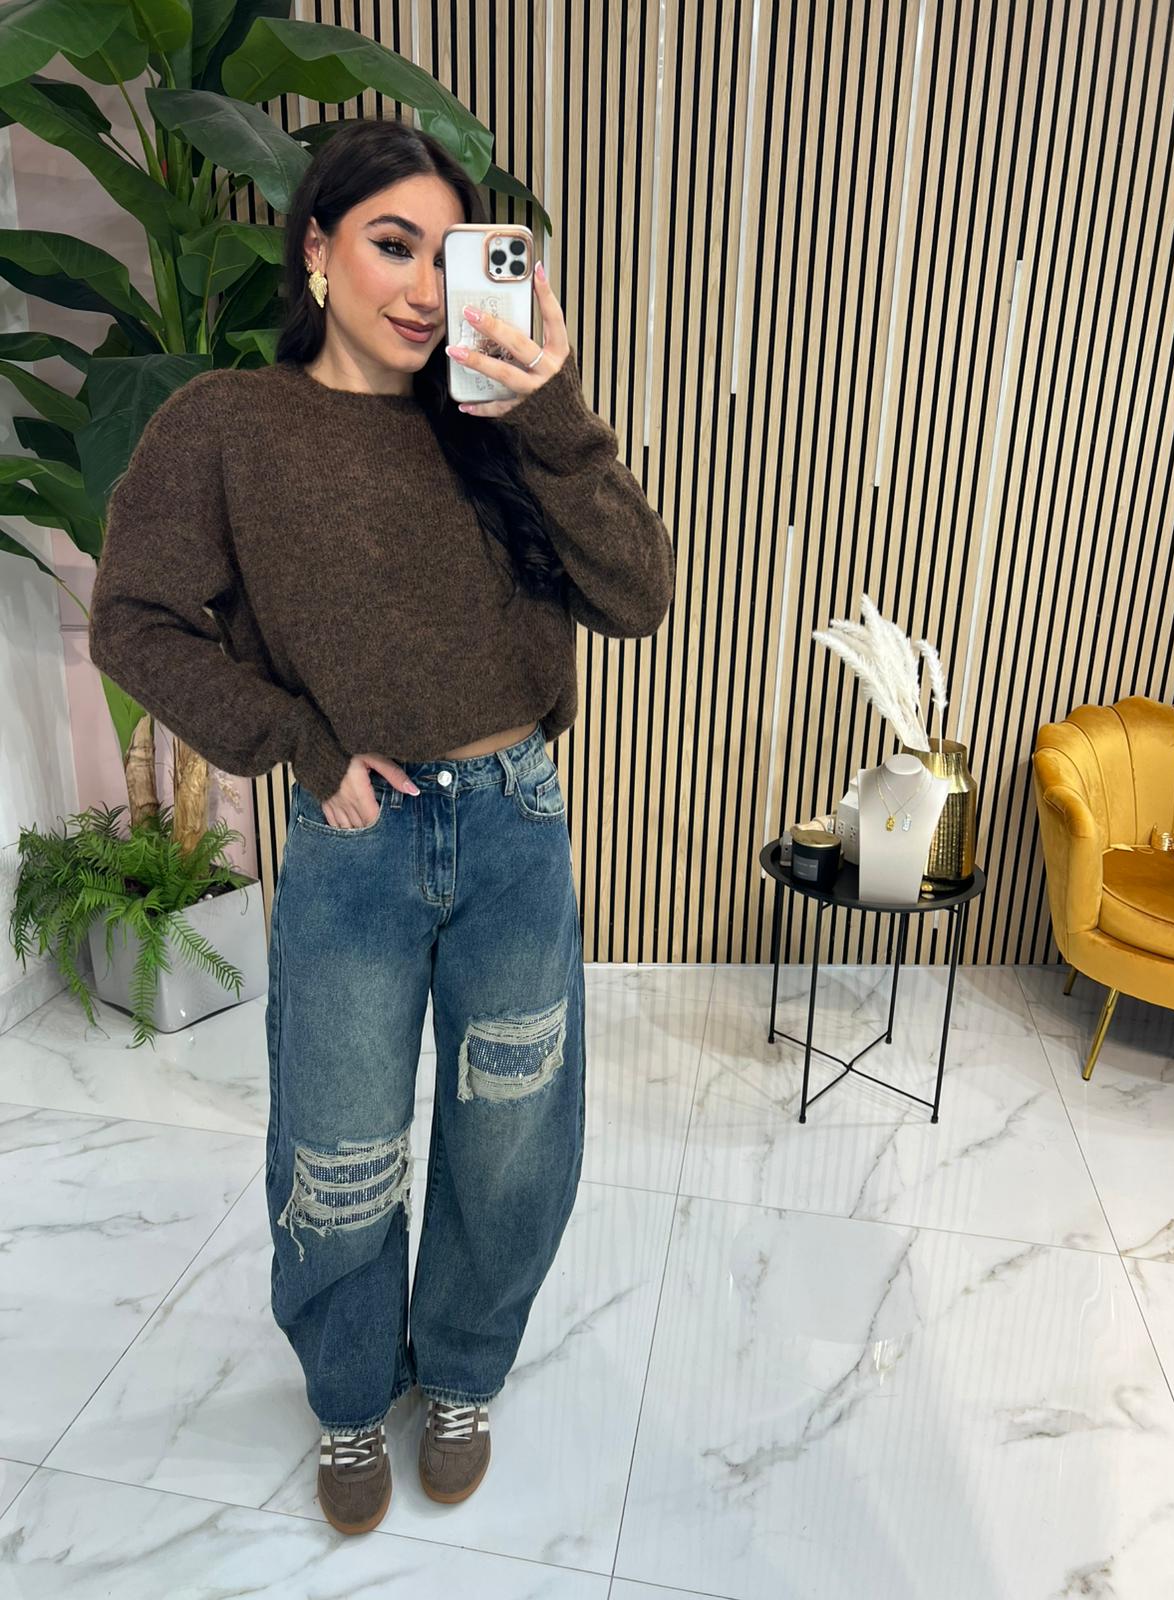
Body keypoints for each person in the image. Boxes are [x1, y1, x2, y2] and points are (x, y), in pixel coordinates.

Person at [87, 117, 675, 1535]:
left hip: (515, 824)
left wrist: (546, 407)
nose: (422, 287)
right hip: (358, 841)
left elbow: (640, 595)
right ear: (317, 248)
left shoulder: (497, 427)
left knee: (512, 1134)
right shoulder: (227, 426)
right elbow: (136, 622)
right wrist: (295, 741)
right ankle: (353, 1398)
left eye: (449, 255)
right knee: (340, 1140)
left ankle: (461, 1371)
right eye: (391, 245)